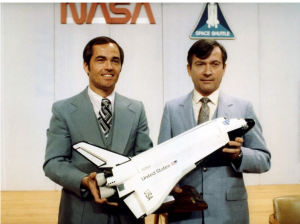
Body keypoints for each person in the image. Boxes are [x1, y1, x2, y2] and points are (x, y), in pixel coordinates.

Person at [158, 39, 271, 224]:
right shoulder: (172, 109)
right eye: (200, 64)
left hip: (229, 213)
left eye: (214, 64)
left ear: (224, 68)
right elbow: (161, 163)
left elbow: (264, 160)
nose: (207, 71)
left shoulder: (243, 108)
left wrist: (240, 155)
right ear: (189, 69)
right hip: (184, 213)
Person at [43, 36, 153, 224]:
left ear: (120, 68)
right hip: (81, 214)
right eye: (100, 60)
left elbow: (145, 159)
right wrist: (83, 180)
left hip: (127, 215)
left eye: (115, 61)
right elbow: (53, 162)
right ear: (86, 66)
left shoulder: (136, 109)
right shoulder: (63, 110)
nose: (109, 66)